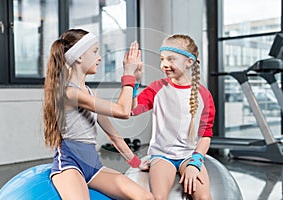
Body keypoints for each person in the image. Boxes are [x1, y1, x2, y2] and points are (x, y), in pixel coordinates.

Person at [43, 29, 154, 200]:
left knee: (146, 197)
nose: (100, 57)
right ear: (79, 56)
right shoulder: (68, 93)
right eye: (95, 51)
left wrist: (136, 163)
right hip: (70, 166)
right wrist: (128, 74)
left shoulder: (91, 94)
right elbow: (122, 111)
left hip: (93, 166)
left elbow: (113, 134)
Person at [131, 34, 215, 200]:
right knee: (159, 197)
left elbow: (205, 135)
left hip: (190, 155)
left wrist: (195, 162)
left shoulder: (204, 95)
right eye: (162, 59)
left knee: (204, 198)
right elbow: (132, 110)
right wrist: (134, 83)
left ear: (189, 62)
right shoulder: (157, 88)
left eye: (171, 59)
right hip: (162, 156)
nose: (164, 65)